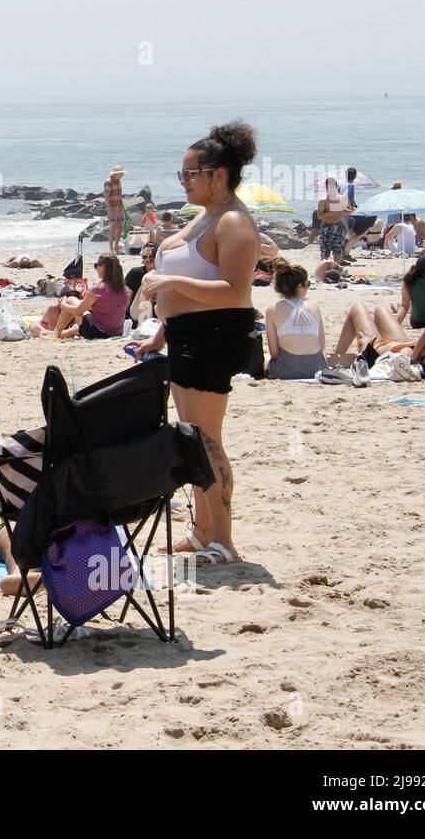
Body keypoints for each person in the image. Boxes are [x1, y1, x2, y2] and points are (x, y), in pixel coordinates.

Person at [129, 121, 261, 566]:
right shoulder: (206, 217)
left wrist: (168, 280)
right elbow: (191, 290)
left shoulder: (235, 222)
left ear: (218, 174)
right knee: (189, 439)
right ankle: (203, 532)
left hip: (215, 337)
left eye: (190, 174)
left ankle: (222, 539)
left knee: (206, 440)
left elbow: (233, 291)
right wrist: (161, 332)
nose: (183, 181)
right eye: (181, 174)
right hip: (185, 337)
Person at [332, 304, 425, 376]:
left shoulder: (408, 358)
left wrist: (365, 346)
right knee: (381, 309)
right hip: (398, 340)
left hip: (376, 345)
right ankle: (338, 354)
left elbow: (373, 364)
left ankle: (338, 355)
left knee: (357, 309)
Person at [34, 253, 127, 340]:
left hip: (97, 332)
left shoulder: (98, 289)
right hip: (117, 332)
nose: (96, 268)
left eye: (96, 265)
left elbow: (78, 311)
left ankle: (56, 333)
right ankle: (58, 333)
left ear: (103, 267)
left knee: (70, 300)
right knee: (76, 305)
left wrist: (63, 304)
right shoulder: (123, 289)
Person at [264, 259, 326, 380]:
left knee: (266, 357)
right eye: (307, 284)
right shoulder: (314, 307)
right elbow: (322, 346)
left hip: (286, 371)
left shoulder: (272, 310)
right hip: (317, 368)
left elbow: (274, 353)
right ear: (299, 286)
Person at [315, 175, 349, 261]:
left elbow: (346, 211)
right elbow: (319, 216)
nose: (329, 189)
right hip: (327, 226)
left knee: (338, 251)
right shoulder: (323, 200)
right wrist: (332, 212)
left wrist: (348, 211)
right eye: (328, 187)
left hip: (338, 225)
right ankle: (324, 271)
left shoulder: (341, 198)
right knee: (325, 251)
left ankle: (336, 270)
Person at [125, 243, 157, 322]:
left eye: (151, 257)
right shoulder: (135, 273)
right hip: (136, 315)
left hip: (157, 317)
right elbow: (126, 299)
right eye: (144, 256)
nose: (147, 260)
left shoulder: (164, 274)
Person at [105, 165, 126, 254]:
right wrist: (109, 209)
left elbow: (120, 195)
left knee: (120, 227)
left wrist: (123, 207)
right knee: (113, 227)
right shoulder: (108, 182)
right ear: (116, 173)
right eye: (121, 173)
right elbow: (106, 197)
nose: (122, 175)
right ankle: (111, 248)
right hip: (113, 208)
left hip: (119, 208)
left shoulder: (118, 181)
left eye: (122, 173)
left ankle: (116, 247)